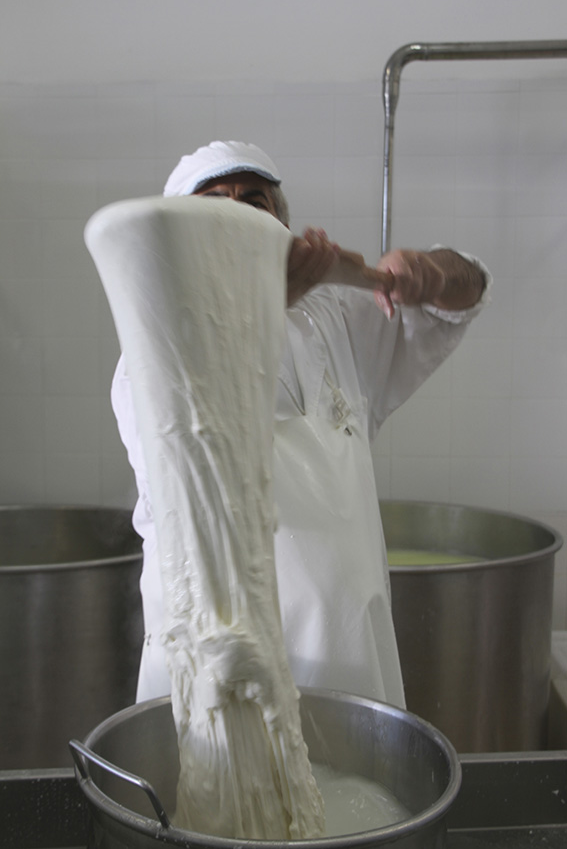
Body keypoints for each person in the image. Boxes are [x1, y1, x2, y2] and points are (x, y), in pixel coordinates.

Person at [111, 141, 491, 707]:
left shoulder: (333, 317)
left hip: (349, 658)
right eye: (212, 204)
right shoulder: (152, 347)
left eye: (253, 202)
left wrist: (431, 271)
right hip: (220, 673)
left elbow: (466, 293)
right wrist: (263, 300)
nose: (236, 214)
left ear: (282, 225)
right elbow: (197, 453)